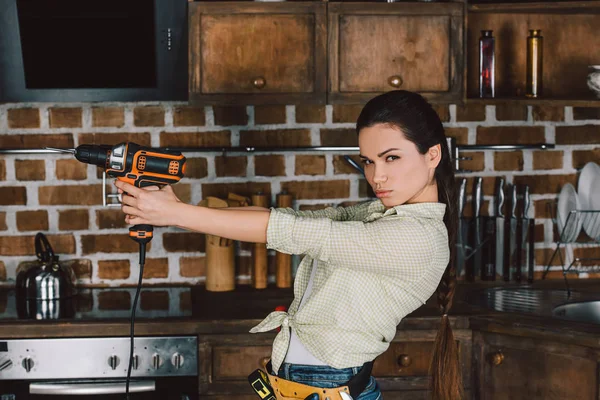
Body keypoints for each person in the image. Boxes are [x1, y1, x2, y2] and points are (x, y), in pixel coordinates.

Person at [115, 90, 462, 400]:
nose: (376, 177)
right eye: (368, 161)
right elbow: (286, 219)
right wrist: (177, 211)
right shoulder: (377, 213)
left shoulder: (418, 239)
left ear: (433, 155)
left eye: (391, 158)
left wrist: (177, 213)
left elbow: (294, 233)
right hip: (311, 387)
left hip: (326, 389)